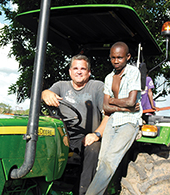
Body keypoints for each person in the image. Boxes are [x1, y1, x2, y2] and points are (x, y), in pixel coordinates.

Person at [41, 54, 108, 195]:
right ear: (70, 71)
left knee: (94, 148)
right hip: (62, 135)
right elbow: (47, 94)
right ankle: (42, 186)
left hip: (85, 138)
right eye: (75, 68)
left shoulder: (97, 87)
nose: (79, 71)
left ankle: (85, 191)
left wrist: (96, 134)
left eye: (83, 69)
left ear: (89, 72)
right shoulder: (60, 86)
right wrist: (45, 93)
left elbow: (108, 114)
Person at [86, 42, 142, 195]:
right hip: (113, 121)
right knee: (102, 161)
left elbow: (132, 101)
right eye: (113, 58)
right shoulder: (109, 77)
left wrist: (113, 101)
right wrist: (123, 107)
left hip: (129, 122)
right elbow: (106, 107)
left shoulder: (133, 72)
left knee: (109, 161)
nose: (116, 61)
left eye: (120, 57)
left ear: (128, 57)